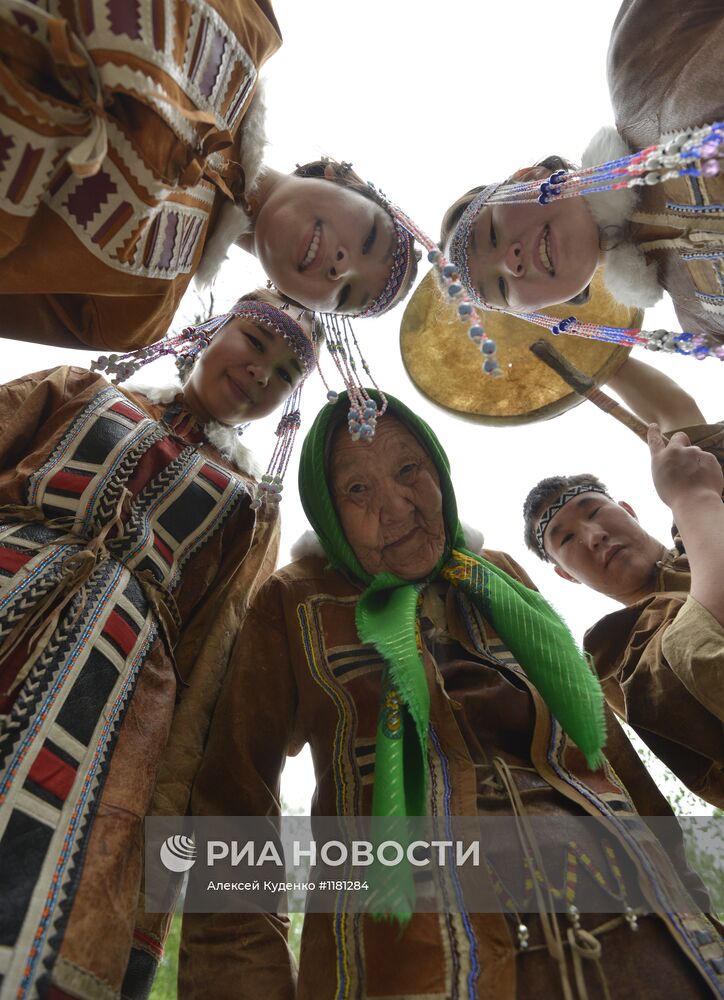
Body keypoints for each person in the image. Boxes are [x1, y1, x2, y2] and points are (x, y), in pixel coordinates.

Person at [180, 390, 722, 1000]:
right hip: (411, 957)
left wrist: (696, 914)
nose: (396, 506)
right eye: (357, 491)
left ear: (439, 468)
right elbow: (234, 796)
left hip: (645, 934)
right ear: (327, 510)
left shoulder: (501, 578)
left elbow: (605, 754)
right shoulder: (295, 598)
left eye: (409, 469)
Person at [0, 289, 319, 999]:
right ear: (209, 330)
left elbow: (213, 656)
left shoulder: (250, 505)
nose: (261, 373)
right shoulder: (83, 390)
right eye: (255, 342)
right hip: (10, 568)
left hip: (109, 693)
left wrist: (171, 793)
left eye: (286, 373)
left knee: (42, 868)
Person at [0, 0, 417, 350]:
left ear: (298, 303)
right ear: (342, 177)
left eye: (344, 295)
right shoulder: (250, 26)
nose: (342, 270)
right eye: (368, 239)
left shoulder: (133, 316)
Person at [438, 0, 724, 352]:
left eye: (493, 233)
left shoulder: (640, 61)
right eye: (500, 287)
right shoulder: (704, 324)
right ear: (538, 310)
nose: (510, 263)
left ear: (529, 176)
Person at [522, 356, 724, 809]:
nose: (594, 537)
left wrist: (594, 346)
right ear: (563, 575)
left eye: (594, 511)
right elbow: (705, 658)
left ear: (629, 510)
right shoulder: (615, 651)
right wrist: (692, 497)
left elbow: (680, 419)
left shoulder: (702, 529)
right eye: (566, 538)